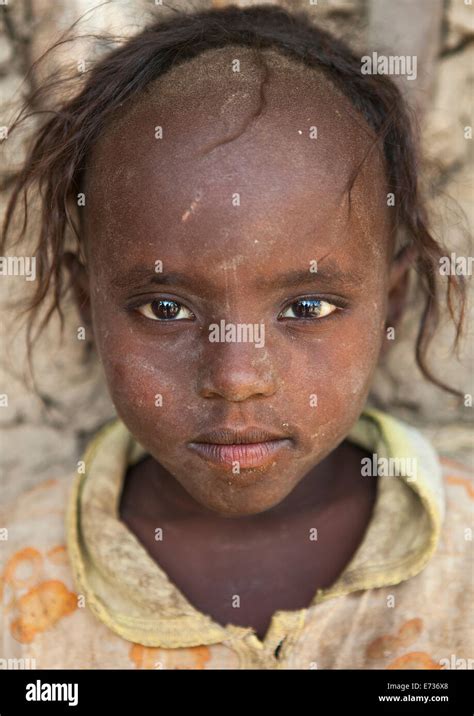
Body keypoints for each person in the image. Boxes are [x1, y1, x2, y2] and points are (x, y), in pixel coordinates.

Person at [0, 5, 471, 670]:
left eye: (307, 306)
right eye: (166, 309)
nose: (238, 377)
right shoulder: (16, 587)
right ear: (87, 301)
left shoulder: (465, 562)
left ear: (390, 303)